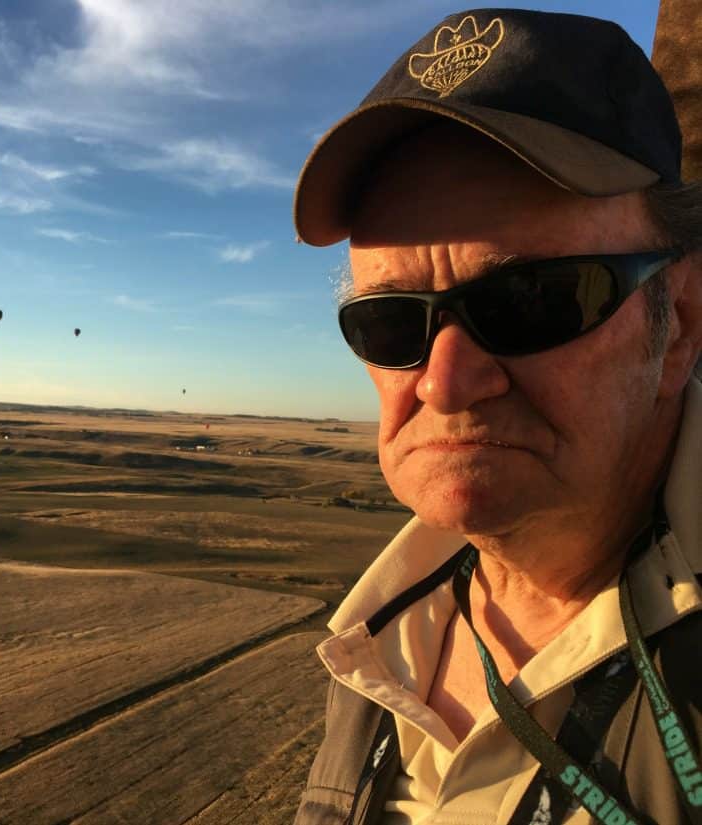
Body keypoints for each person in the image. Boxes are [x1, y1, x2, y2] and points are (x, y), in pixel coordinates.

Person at [292, 9, 702, 825]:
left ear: (681, 317)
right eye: (391, 322)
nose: (443, 382)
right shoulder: (377, 638)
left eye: (532, 301)